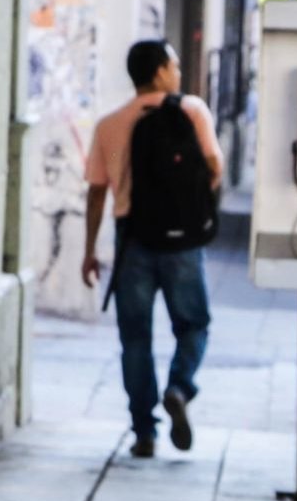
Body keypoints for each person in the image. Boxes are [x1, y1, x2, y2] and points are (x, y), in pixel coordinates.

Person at [80, 40, 224, 458]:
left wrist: (90, 250)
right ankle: (178, 387)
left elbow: (96, 193)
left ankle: (144, 431)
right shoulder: (192, 111)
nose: (178, 71)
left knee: (136, 339)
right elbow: (214, 167)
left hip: (133, 241)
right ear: (160, 71)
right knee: (193, 324)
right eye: (174, 64)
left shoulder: (109, 125)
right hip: (181, 240)